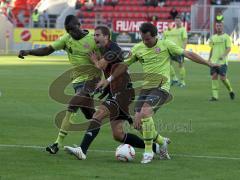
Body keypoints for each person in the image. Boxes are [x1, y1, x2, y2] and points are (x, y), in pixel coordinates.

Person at [64, 26, 168, 162]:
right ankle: (157, 146)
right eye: (94, 35)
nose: (95, 38)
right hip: (116, 92)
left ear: (106, 36)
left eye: (97, 35)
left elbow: (101, 65)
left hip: (122, 91)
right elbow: (106, 71)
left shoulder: (113, 49)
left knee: (98, 114)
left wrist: (95, 60)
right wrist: (103, 84)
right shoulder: (102, 49)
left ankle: (82, 150)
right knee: (118, 134)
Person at [124, 22, 219, 164]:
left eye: (148, 39)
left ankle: (148, 152)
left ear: (155, 36)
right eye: (143, 39)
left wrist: (208, 63)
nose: (145, 42)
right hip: (146, 88)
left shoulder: (166, 45)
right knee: (138, 124)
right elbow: (124, 64)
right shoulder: (138, 48)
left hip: (162, 86)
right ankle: (162, 142)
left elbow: (188, 54)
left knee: (145, 113)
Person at [18, 15, 102, 154]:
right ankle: (114, 119)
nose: (71, 33)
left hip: (92, 80)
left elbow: (105, 59)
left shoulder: (93, 39)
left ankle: (57, 144)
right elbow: (48, 49)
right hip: (77, 81)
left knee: (73, 105)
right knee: (91, 116)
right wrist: (28, 51)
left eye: (72, 29)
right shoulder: (66, 39)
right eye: (68, 30)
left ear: (79, 25)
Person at [208, 21, 235, 101]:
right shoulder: (213, 37)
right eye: (217, 26)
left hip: (222, 62)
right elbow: (212, 48)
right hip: (213, 61)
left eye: (220, 26)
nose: (218, 27)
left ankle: (230, 90)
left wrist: (223, 55)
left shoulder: (226, 37)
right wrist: (209, 59)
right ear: (215, 27)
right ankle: (215, 96)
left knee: (223, 78)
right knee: (214, 77)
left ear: (222, 27)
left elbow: (229, 48)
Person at [163, 16, 188, 87]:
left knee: (180, 65)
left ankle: (182, 82)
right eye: (176, 21)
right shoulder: (172, 30)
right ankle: (174, 79)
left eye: (178, 21)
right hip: (170, 51)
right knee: (168, 64)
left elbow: (185, 40)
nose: (177, 22)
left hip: (179, 50)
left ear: (181, 22)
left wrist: (183, 49)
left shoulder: (183, 30)